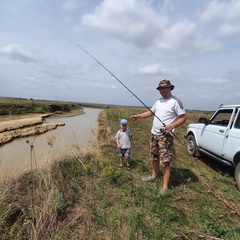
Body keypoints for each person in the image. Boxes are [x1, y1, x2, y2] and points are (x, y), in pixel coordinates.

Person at [131, 79, 186, 196]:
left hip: (165, 136)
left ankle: (165, 187)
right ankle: (154, 176)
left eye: (164, 88)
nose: (162, 91)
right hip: (154, 134)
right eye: (160, 89)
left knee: (165, 161)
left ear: (170, 88)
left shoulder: (175, 102)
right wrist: (138, 116)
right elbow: (151, 112)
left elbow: (183, 117)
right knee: (154, 157)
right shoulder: (158, 101)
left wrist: (172, 125)